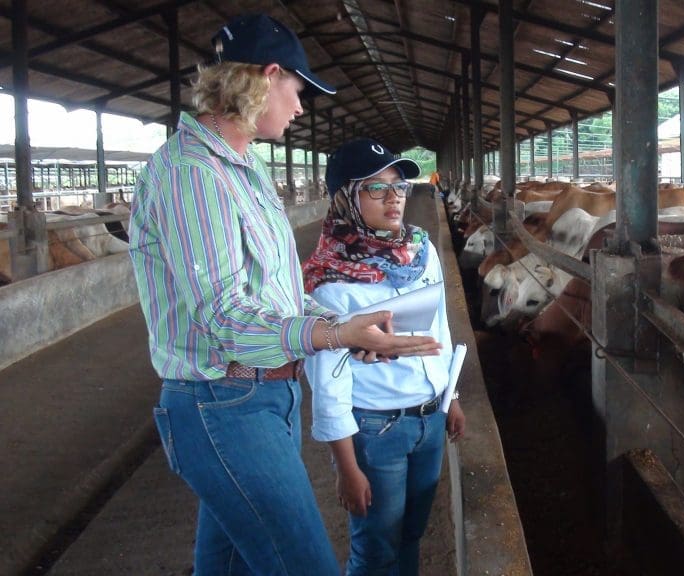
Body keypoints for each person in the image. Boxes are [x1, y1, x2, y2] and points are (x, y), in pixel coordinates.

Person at [128, 14, 441, 575]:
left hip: (267, 395)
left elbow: (282, 297)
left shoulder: (246, 171)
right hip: (223, 401)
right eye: (297, 90)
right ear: (268, 77)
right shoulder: (194, 174)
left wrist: (348, 330)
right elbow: (223, 316)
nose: (300, 107)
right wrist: (335, 332)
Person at [303, 137, 467, 575]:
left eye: (399, 187)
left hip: (429, 419)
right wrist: (345, 466)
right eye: (376, 188)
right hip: (377, 429)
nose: (394, 198)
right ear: (345, 198)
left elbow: (440, 327)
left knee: (411, 534)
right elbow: (327, 380)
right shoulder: (330, 280)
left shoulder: (421, 249)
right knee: (376, 549)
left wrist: (450, 395)